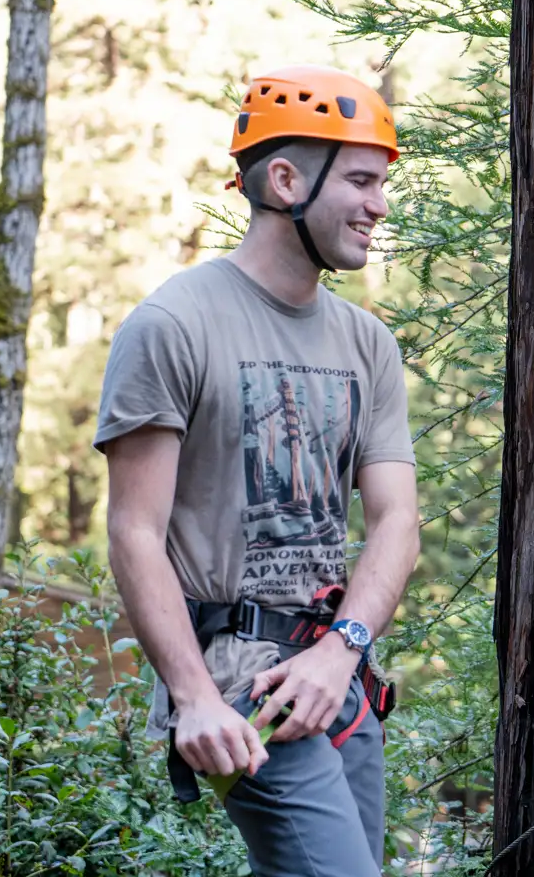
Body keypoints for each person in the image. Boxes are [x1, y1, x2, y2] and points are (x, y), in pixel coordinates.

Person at [95, 65, 420, 877]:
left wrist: (342, 651)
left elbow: (396, 522)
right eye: (360, 181)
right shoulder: (174, 324)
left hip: (339, 683)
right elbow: (135, 532)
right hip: (243, 691)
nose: (379, 205)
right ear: (284, 179)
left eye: (380, 184)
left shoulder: (366, 344)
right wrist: (193, 697)